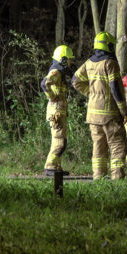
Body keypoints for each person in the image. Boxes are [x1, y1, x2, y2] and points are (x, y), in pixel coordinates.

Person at [72, 32, 127, 180]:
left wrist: (91, 93)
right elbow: (115, 87)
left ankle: (98, 178)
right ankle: (117, 178)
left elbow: (75, 80)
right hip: (109, 113)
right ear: (108, 45)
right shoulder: (110, 63)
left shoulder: (89, 62)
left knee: (98, 147)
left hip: (92, 114)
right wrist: (123, 110)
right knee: (116, 145)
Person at [40, 45, 75, 176]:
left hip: (59, 111)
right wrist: (52, 97)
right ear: (63, 60)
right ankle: (50, 167)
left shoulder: (60, 72)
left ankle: (56, 167)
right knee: (59, 141)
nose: (70, 62)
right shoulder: (56, 71)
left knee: (61, 140)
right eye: (69, 60)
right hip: (56, 111)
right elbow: (44, 83)